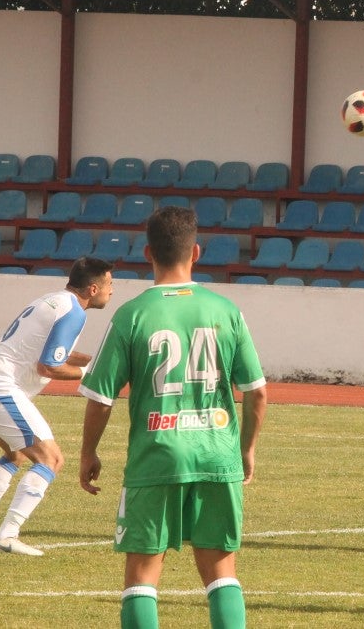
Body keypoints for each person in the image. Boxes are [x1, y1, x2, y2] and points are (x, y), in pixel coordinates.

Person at [78, 206, 268, 629]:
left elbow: (101, 398)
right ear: (196, 252)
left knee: (142, 577)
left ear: (148, 253)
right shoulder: (225, 310)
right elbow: (256, 392)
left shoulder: (131, 314)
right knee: (221, 571)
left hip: (156, 456)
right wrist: (247, 449)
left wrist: (88, 452)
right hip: (217, 454)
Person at [0, 256, 115, 555]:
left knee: (16, 455)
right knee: (51, 459)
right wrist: (91, 373)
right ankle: (7, 534)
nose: (112, 290)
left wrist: (94, 361)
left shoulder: (55, 300)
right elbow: (49, 367)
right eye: (109, 284)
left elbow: (56, 350)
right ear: (93, 289)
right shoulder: (74, 313)